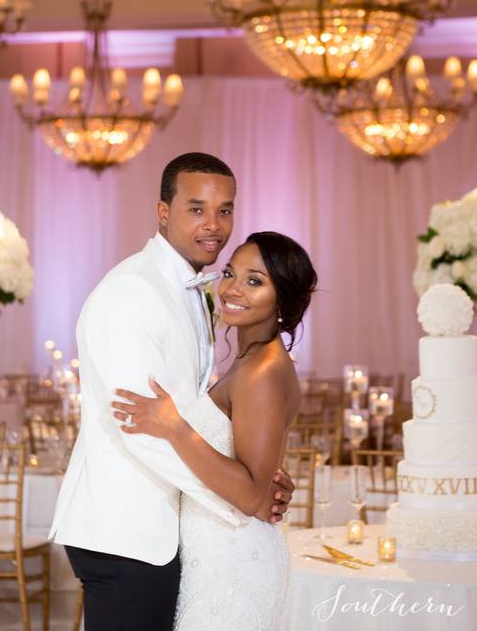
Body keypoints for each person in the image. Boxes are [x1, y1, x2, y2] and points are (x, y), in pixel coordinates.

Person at [49, 153, 295, 631]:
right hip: (128, 527)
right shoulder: (129, 293)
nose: (214, 225)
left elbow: (194, 414)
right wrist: (240, 494)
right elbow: (137, 428)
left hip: (167, 523)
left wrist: (257, 475)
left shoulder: (194, 289)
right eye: (197, 209)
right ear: (163, 212)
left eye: (225, 210)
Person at [112, 231, 318, 630]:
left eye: (255, 281)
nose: (231, 288)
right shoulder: (251, 361)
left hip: (233, 563)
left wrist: (176, 428)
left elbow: (250, 494)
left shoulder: (262, 371)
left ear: (284, 301)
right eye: (229, 273)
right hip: (215, 554)